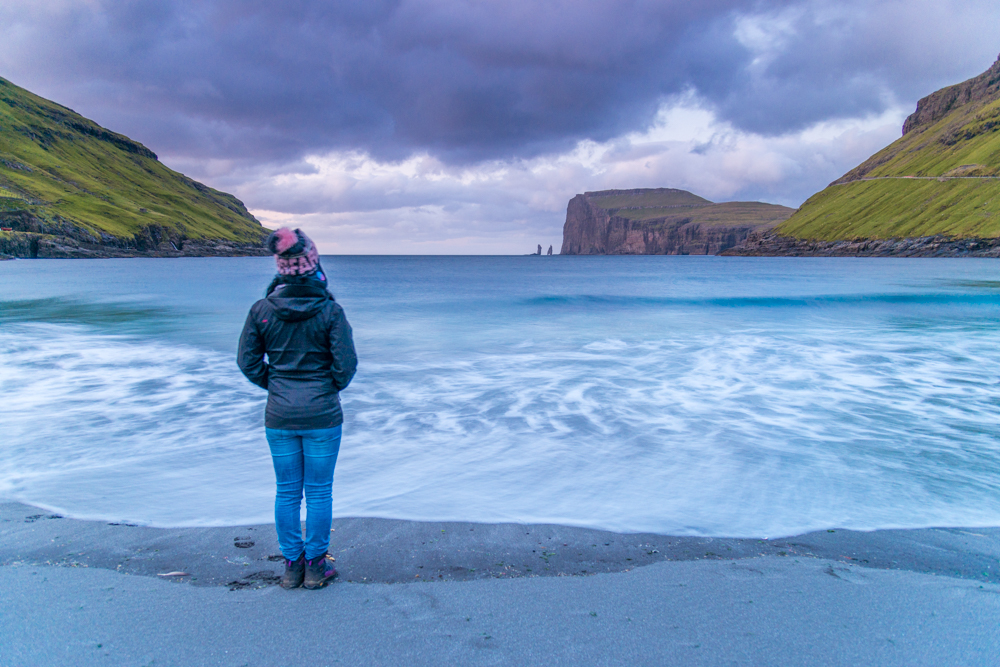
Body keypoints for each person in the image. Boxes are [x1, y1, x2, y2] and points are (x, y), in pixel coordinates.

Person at [238, 227, 358, 590]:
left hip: (280, 415)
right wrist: (325, 389)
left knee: (287, 490)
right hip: (322, 415)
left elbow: (248, 363)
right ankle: (316, 567)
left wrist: (276, 387)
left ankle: (292, 566)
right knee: (319, 491)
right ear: (312, 265)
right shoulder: (330, 311)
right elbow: (346, 366)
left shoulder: (261, 309)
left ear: (281, 268)